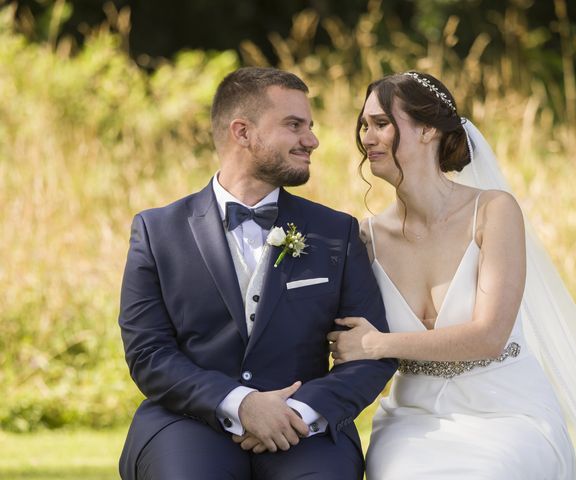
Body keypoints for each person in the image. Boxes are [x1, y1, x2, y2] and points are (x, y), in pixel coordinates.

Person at [328, 71, 576, 479]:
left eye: (382, 124)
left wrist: (377, 344)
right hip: (415, 420)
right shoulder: (366, 237)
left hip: (508, 410)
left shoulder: (493, 212)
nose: (367, 137)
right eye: (364, 125)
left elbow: (491, 335)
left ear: (427, 130)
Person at [117, 67, 397, 480]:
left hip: (304, 429)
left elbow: (372, 353)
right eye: (294, 125)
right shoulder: (158, 231)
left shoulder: (335, 232)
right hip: (189, 422)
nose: (312, 140)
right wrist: (241, 403)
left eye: (310, 126)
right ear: (242, 132)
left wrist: (298, 411)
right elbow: (149, 353)